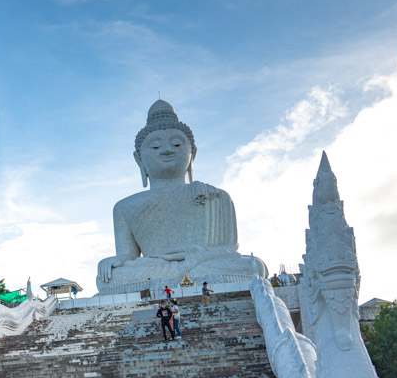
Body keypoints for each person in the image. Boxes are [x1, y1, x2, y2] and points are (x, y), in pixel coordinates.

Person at [95, 100, 268, 295]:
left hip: (203, 263)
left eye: (176, 143)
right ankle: (178, 273)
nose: (167, 150)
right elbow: (129, 255)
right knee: (107, 279)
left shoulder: (217, 196)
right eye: (155, 146)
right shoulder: (125, 207)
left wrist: (196, 257)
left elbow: (229, 249)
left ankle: (180, 273)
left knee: (254, 266)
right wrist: (117, 261)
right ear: (139, 159)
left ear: (192, 153)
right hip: (154, 268)